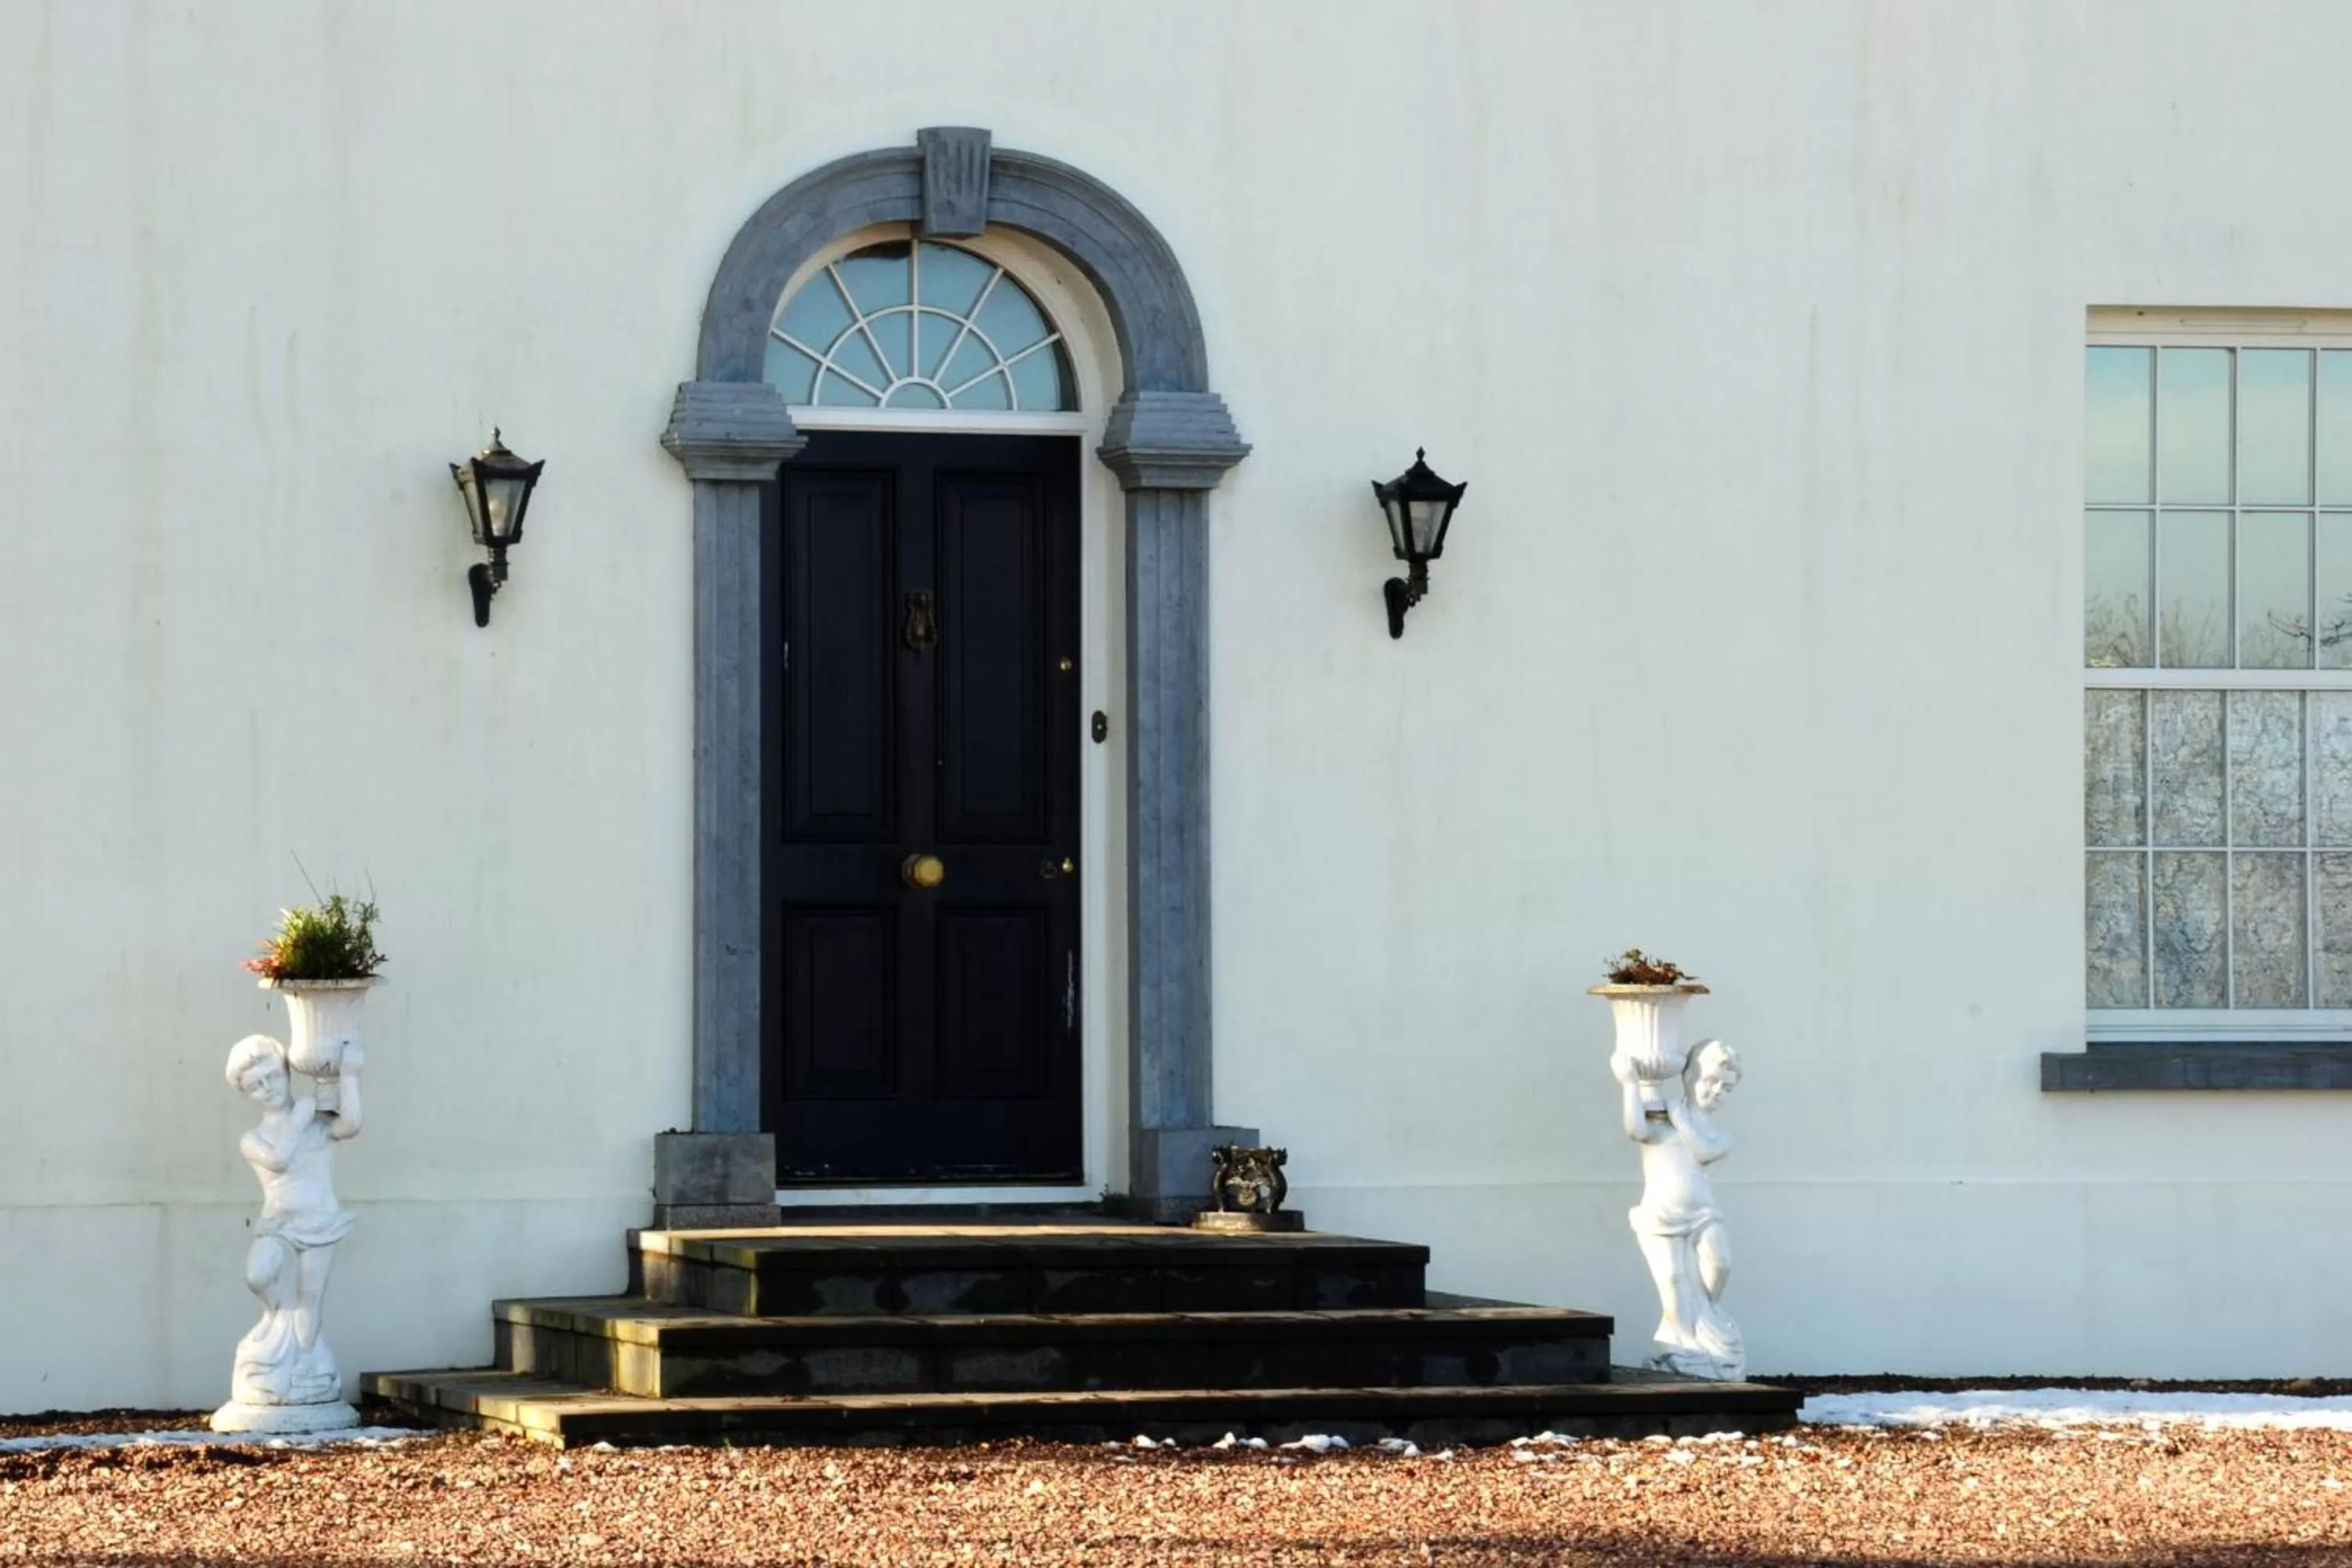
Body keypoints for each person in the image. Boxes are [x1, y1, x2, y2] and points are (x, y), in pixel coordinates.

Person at [221, 1032, 363, 1409]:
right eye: (255, 1086)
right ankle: (276, 1335)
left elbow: (350, 1125)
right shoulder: (253, 1138)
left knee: (309, 1300)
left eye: (273, 1077)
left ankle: (305, 1373)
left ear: (287, 1072)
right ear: (246, 1094)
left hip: (319, 1221)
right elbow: (280, 1159)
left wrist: (348, 1076)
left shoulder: (316, 1122)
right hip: (277, 1224)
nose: (267, 1089)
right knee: (259, 1275)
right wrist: (300, 1117)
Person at [1613, 1037, 1744, 1380]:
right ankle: (1681, 1346)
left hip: (1704, 1214)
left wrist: (1680, 1118)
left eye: (1725, 1088)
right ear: (1690, 1078)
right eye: (1709, 1081)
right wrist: (1630, 1084)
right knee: (1672, 1279)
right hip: (1660, 1214)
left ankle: (1706, 1321)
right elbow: (1635, 1128)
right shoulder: (1661, 1118)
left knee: (1720, 1264)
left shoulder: (1716, 1134)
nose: (1716, 1092)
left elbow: (1703, 1152)